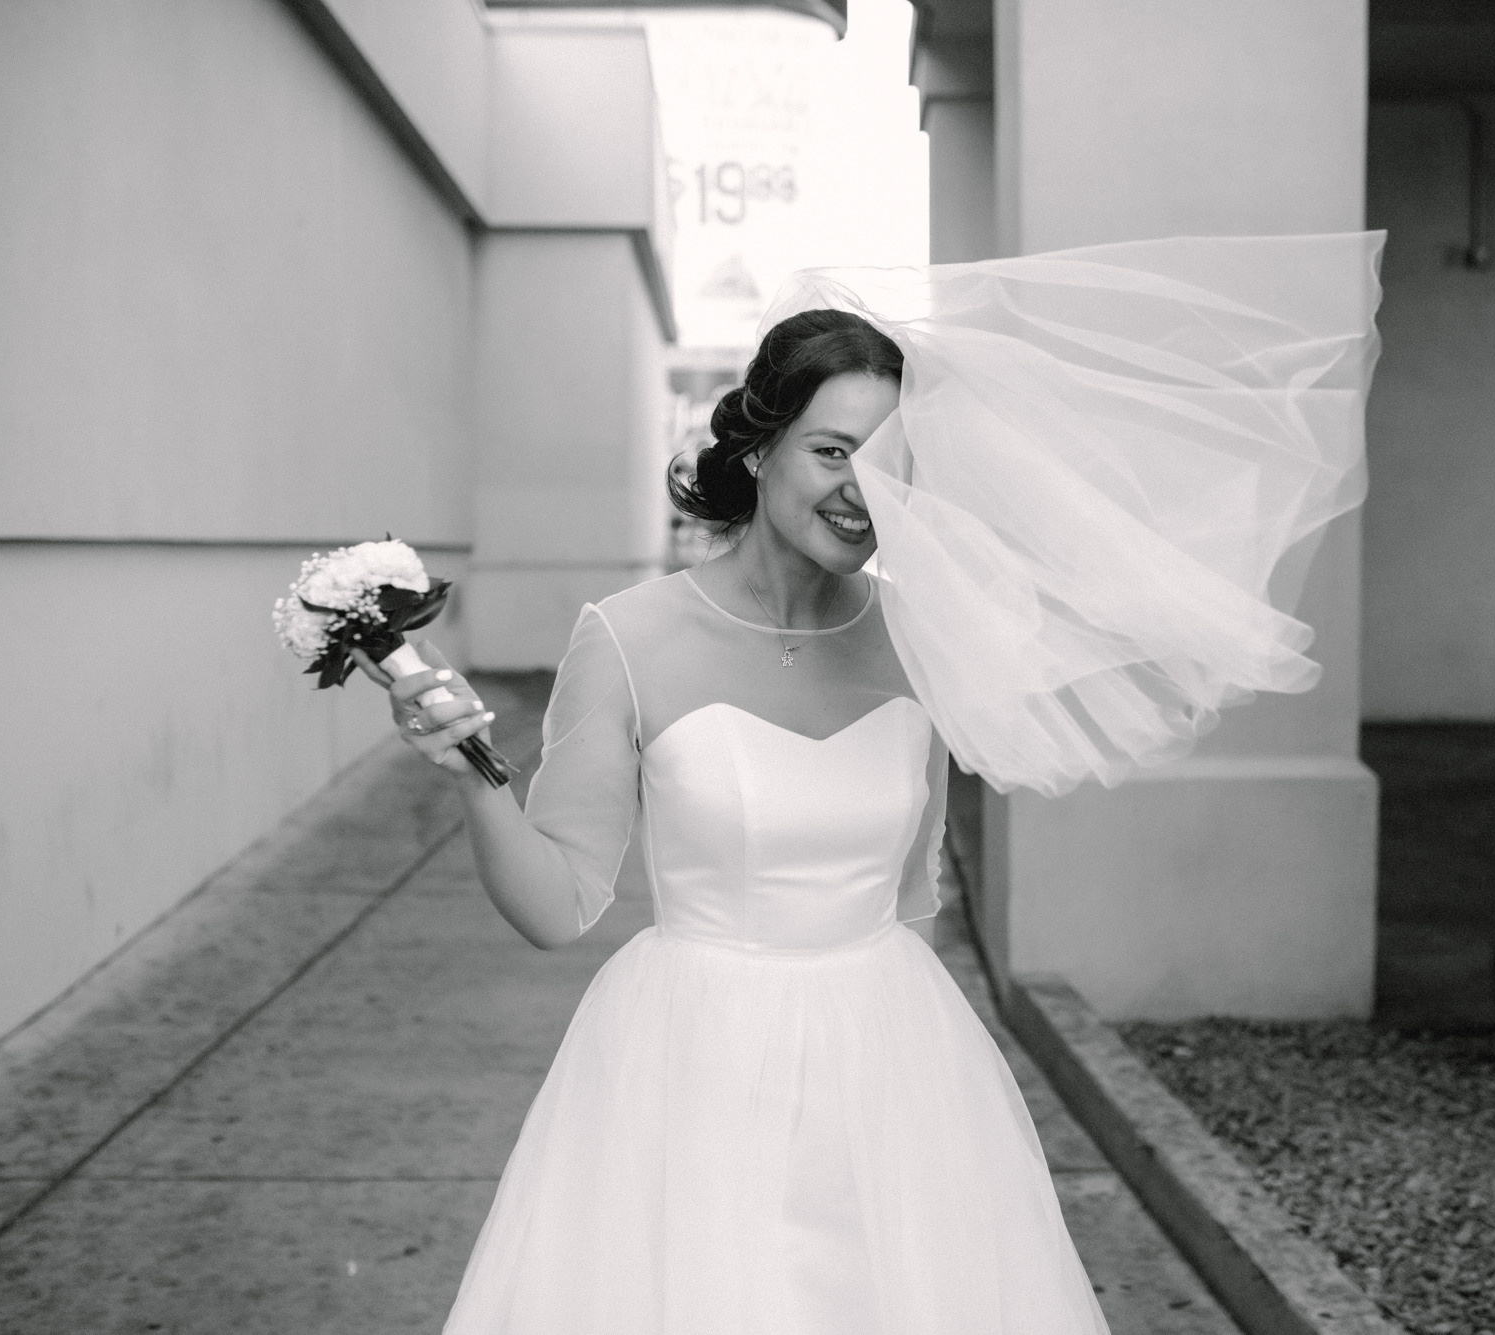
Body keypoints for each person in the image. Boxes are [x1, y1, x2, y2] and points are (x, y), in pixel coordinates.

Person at [378, 235, 1383, 1334]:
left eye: (893, 461)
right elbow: (555, 906)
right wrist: (475, 774)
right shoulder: (625, 640)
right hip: (690, 1066)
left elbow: (932, 862)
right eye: (831, 450)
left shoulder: (923, 633)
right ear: (757, 448)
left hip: (894, 1060)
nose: (863, 491)